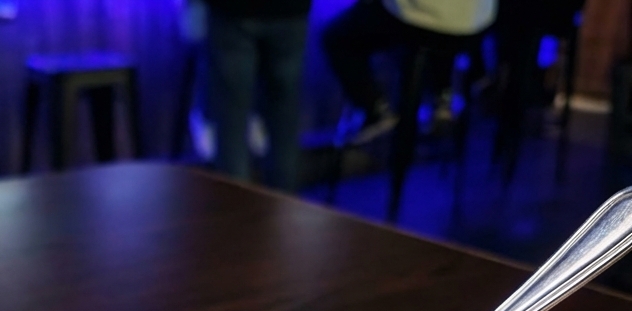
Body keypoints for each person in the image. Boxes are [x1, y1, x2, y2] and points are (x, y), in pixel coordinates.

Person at [322, 0, 497, 144]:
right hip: (477, 24)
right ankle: (441, 98)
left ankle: (376, 112)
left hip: (416, 20)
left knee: (336, 38)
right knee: (436, 33)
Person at [203, 0, 312, 191]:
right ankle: (284, 209)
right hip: (290, 13)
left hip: (234, 13)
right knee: (284, 121)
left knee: (232, 122)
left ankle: (237, 212)